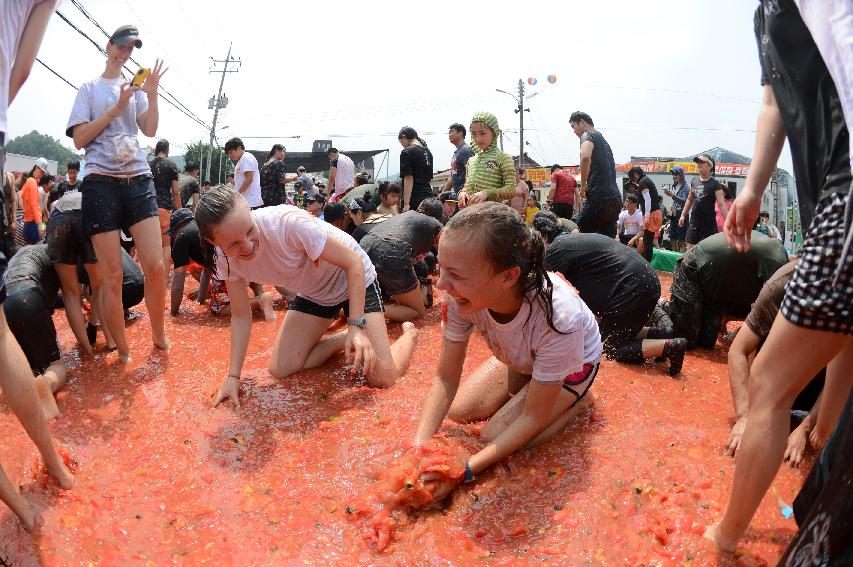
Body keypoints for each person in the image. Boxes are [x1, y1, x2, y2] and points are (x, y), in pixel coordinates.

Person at [707, 1, 853, 553]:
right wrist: (752, 187)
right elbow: (773, 99)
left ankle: (725, 538)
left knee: (769, 381)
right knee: (841, 364)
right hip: (828, 206)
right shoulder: (762, 15)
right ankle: (825, 498)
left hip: (848, 194)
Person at [412, 202, 601, 500]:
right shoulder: (459, 297)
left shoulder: (559, 318)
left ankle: (579, 400)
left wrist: (466, 470)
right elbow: (445, 377)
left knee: (493, 436)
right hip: (522, 355)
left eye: (456, 274)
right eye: (441, 269)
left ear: (508, 277)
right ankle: (535, 381)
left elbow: (532, 417)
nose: (442, 285)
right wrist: (419, 447)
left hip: (574, 364)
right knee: (460, 411)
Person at [194, 185, 419, 408]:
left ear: (251, 211)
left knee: (382, 379)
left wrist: (357, 326)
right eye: (233, 244)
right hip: (315, 292)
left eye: (250, 230)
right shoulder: (222, 259)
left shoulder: (287, 223)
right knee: (281, 368)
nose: (248, 245)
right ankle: (342, 340)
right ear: (213, 242)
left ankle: (409, 334)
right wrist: (233, 377)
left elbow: (353, 263)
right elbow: (241, 317)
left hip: (352, 279)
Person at [0, 1, 75, 532]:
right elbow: (20, 72)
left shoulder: (34, 193)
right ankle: (53, 467)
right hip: (21, 293)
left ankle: (21, 508)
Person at [65, 24, 169, 363]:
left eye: (131, 49)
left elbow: (150, 130)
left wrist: (151, 94)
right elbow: (79, 139)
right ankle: (123, 352)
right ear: (108, 46)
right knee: (110, 276)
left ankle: (158, 336)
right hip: (100, 182)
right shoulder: (89, 89)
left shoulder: (136, 90)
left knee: (154, 266)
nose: (125, 53)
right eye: (121, 46)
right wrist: (113, 109)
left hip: (138, 178)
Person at [534, 224, 687, 375]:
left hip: (632, 286)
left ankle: (669, 347)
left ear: (544, 237)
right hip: (646, 279)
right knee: (612, 333)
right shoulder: (568, 243)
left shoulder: (554, 252)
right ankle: (662, 334)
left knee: (609, 348)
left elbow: (547, 299)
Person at [724, 260, 833, 468]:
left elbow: (841, 377)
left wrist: (806, 428)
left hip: (820, 379)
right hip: (774, 376)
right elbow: (738, 350)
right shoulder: (782, 285)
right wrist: (744, 417)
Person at [667, 231, 788, 350]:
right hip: (694, 266)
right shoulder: (779, 264)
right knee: (685, 341)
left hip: (715, 286)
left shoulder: (779, 262)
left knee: (706, 343)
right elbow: (765, 313)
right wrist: (746, 335)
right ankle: (662, 309)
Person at [3, 244, 77, 421]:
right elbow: (55, 300)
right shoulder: (56, 256)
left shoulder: (23, 254)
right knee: (56, 365)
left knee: (30, 366)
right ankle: (48, 384)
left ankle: (33, 380)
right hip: (28, 296)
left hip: (4, 304)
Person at [168, 207, 274, 320]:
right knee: (241, 262)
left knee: (219, 309)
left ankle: (259, 301)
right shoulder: (202, 228)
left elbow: (177, 284)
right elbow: (207, 271)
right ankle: (259, 293)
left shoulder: (181, 237)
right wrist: (200, 300)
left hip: (226, 263)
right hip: (245, 255)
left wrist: (173, 313)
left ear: (177, 228)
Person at [45, 189, 110, 350]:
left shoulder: (61, 199)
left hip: (57, 219)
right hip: (85, 215)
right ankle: (111, 342)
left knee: (70, 293)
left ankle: (87, 348)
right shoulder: (96, 197)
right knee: (99, 285)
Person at [358, 210, 444, 322]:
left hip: (365, 244)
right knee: (417, 312)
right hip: (391, 249)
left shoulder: (414, 219)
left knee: (387, 298)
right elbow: (446, 262)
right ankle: (364, 311)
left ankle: (350, 308)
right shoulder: (442, 231)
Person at [569, 111, 622, 237]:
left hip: (599, 198)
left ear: (582, 122)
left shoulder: (587, 135)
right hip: (615, 200)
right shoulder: (604, 141)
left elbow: (585, 157)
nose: (574, 131)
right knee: (606, 242)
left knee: (576, 233)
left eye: (573, 127)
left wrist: (583, 186)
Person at [458, 112, 515, 208]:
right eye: (473, 134)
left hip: (492, 215)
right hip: (470, 213)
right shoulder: (471, 161)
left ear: (494, 132)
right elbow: (467, 185)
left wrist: (487, 193)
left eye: (482, 133)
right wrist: (462, 193)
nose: (478, 139)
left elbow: (511, 189)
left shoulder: (503, 158)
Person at [678, 155, 728, 250]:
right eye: (698, 162)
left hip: (708, 223)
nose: (699, 164)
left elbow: (721, 205)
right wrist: (683, 215)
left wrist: (729, 221)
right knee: (690, 248)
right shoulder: (694, 181)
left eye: (702, 162)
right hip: (694, 221)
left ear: (709, 166)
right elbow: (689, 199)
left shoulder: (715, 184)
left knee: (706, 250)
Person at [150, 139, 180, 283]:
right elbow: (175, 192)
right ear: (167, 151)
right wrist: (179, 210)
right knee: (165, 245)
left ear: (156, 150)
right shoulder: (171, 165)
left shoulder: (148, 165)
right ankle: (165, 278)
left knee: (151, 244)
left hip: (149, 208)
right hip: (165, 207)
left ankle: (151, 277)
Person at [627, 165, 664, 262]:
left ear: (635, 174)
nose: (632, 180)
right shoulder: (646, 180)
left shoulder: (643, 181)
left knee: (647, 242)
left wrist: (647, 217)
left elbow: (648, 199)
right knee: (647, 241)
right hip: (652, 214)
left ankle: (647, 264)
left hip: (652, 214)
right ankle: (646, 262)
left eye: (631, 177)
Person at [397, 127, 434, 212]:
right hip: (429, 198)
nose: (402, 145)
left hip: (415, 198)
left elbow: (408, 178)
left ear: (403, 137)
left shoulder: (407, 152)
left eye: (400, 141)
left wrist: (406, 204)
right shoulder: (428, 152)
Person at [224, 137, 263, 209]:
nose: (230, 156)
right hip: (246, 201)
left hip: (250, 202)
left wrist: (237, 194)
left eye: (231, 152)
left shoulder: (246, 158)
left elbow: (249, 179)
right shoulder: (241, 160)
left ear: (239, 148)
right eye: (228, 154)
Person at [443, 123, 474, 196]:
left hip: (467, 195)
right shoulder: (456, 153)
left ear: (460, 133)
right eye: (449, 133)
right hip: (459, 195)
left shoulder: (465, 150)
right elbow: (453, 175)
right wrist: (443, 193)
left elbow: (472, 174)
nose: (449, 135)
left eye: (451, 131)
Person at [663, 166, 690, 252]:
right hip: (674, 216)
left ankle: (681, 261)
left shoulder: (686, 187)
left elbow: (686, 202)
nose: (674, 176)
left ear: (681, 175)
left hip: (681, 216)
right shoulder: (676, 186)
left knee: (681, 241)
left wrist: (672, 196)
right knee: (672, 239)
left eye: (676, 174)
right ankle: (675, 259)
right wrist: (669, 221)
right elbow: (675, 203)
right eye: (673, 174)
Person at [21, 158, 47, 244]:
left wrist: (42, 224)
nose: (42, 174)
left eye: (43, 173)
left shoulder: (29, 181)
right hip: (33, 224)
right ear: (36, 167)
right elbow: (34, 204)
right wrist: (40, 224)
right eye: (41, 171)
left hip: (28, 225)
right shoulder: (32, 182)